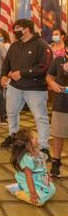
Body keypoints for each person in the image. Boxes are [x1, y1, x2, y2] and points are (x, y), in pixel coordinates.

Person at [0, 19, 53, 161]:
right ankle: (14, 137)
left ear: (26, 29)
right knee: (11, 113)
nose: (14, 31)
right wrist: (4, 76)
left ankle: (43, 146)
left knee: (40, 117)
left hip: (35, 88)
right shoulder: (15, 45)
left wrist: (22, 73)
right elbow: (7, 62)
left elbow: (44, 66)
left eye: (17, 28)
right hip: (15, 87)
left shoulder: (42, 45)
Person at [10, 129, 55, 206]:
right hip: (30, 181)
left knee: (53, 189)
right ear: (27, 144)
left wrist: (48, 176)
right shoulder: (27, 158)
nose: (36, 138)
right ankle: (20, 193)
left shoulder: (39, 153)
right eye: (33, 137)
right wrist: (33, 193)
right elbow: (29, 177)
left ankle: (21, 187)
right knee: (39, 202)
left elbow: (43, 165)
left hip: (39, 179)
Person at [46, 36, 68, 178]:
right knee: (58, 134)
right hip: (61, 103)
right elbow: (48, 76)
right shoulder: (59, 60)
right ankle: (56, 161)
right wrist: (52, 83)